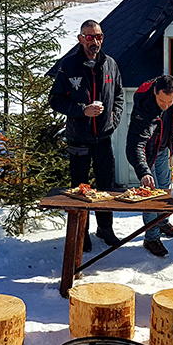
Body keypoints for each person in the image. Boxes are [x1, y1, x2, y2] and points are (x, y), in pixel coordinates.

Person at [49, 19, 124, 252]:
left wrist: (113, 120)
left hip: (103, 137)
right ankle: (82, 232)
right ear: (81, 39)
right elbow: (56, 100)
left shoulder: (110, 64)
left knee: (105, 185)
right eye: (90, 37)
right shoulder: (69, 66)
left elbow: (119, 96)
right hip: (79, 137)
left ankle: (105, 228)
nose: (95, 42)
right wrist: (82, 110)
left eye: (98, 37)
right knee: (81, 188)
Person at [125, 75, 173, 257]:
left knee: (165, 187)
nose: (165, 106)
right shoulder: (144, 104)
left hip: (163, 147)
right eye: (161, 101)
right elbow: (134, 144)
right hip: (148, 152)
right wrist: (144, 172)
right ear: (154, 92)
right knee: (152, 195)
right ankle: (151, 238)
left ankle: (163, 222)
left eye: (169, 102)